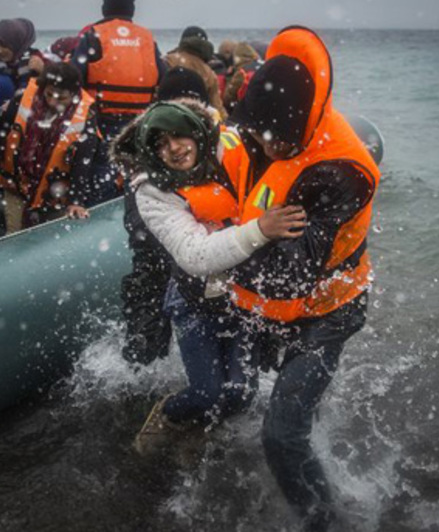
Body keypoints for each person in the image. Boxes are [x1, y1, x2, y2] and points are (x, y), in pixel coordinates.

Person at [225, 27, 381, 531]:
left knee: (281, 436)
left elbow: (291, 278)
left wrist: (217, 256)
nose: (264, 145)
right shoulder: (273, 124)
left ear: (297, 128)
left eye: (272, 138)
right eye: (258, 134)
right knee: (273, 402)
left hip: (330, 311)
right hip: (279, 309)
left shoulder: (340, 173)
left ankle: (325, 522)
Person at [108, 98, 306, 455]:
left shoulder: (233, 148)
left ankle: (200, 429)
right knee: (206, 391)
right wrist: (260, 230)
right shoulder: (151, 190)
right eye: (161, 144)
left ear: (196, 133)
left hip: (242, 295)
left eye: (178, 136)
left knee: (241, 393)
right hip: (192, 301)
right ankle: (169, 413)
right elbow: (195, 256)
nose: (173, 148)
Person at [118, 68, 217, 366]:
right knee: (146, 341)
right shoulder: (147, 154)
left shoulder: (213, 143)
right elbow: (140, 224)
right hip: (160, 254)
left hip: (193, 260)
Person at [0, 62, 96, 232]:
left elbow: (83, 161)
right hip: (17, 185)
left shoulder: (86, 116)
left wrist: (76, 201)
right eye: (49, 94)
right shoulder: (23, 98)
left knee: (53, 240)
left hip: (55, 194)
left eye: (61, 98)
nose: (53, 102)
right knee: (15, 236)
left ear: (74, 94)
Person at [72, 0, 164, 205]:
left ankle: (99, 216)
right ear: (131, 9)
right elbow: (163, 74)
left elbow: (75, 74)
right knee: (136, 171)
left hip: (103, 117)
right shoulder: (146, 37)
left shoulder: (94, 35)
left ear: (105, 8)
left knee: (102, 170)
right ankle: (132, 214)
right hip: (140, 121)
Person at [0, 18, 39, 121]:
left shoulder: (37, 61)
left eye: (4, 46)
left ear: (16, 43)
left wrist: (43, 70)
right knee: (0, 83)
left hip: (27, 121)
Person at [163, 26, 226, 119]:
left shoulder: (167, 61)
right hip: (197, 122)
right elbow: (217, 108)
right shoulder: (208, 72)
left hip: (166, 117)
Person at [222, 42, 261, 114]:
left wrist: (229, 77)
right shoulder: (262, 66)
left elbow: (228, 98)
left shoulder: (242, 72)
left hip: (245, 112)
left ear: (237, 58)